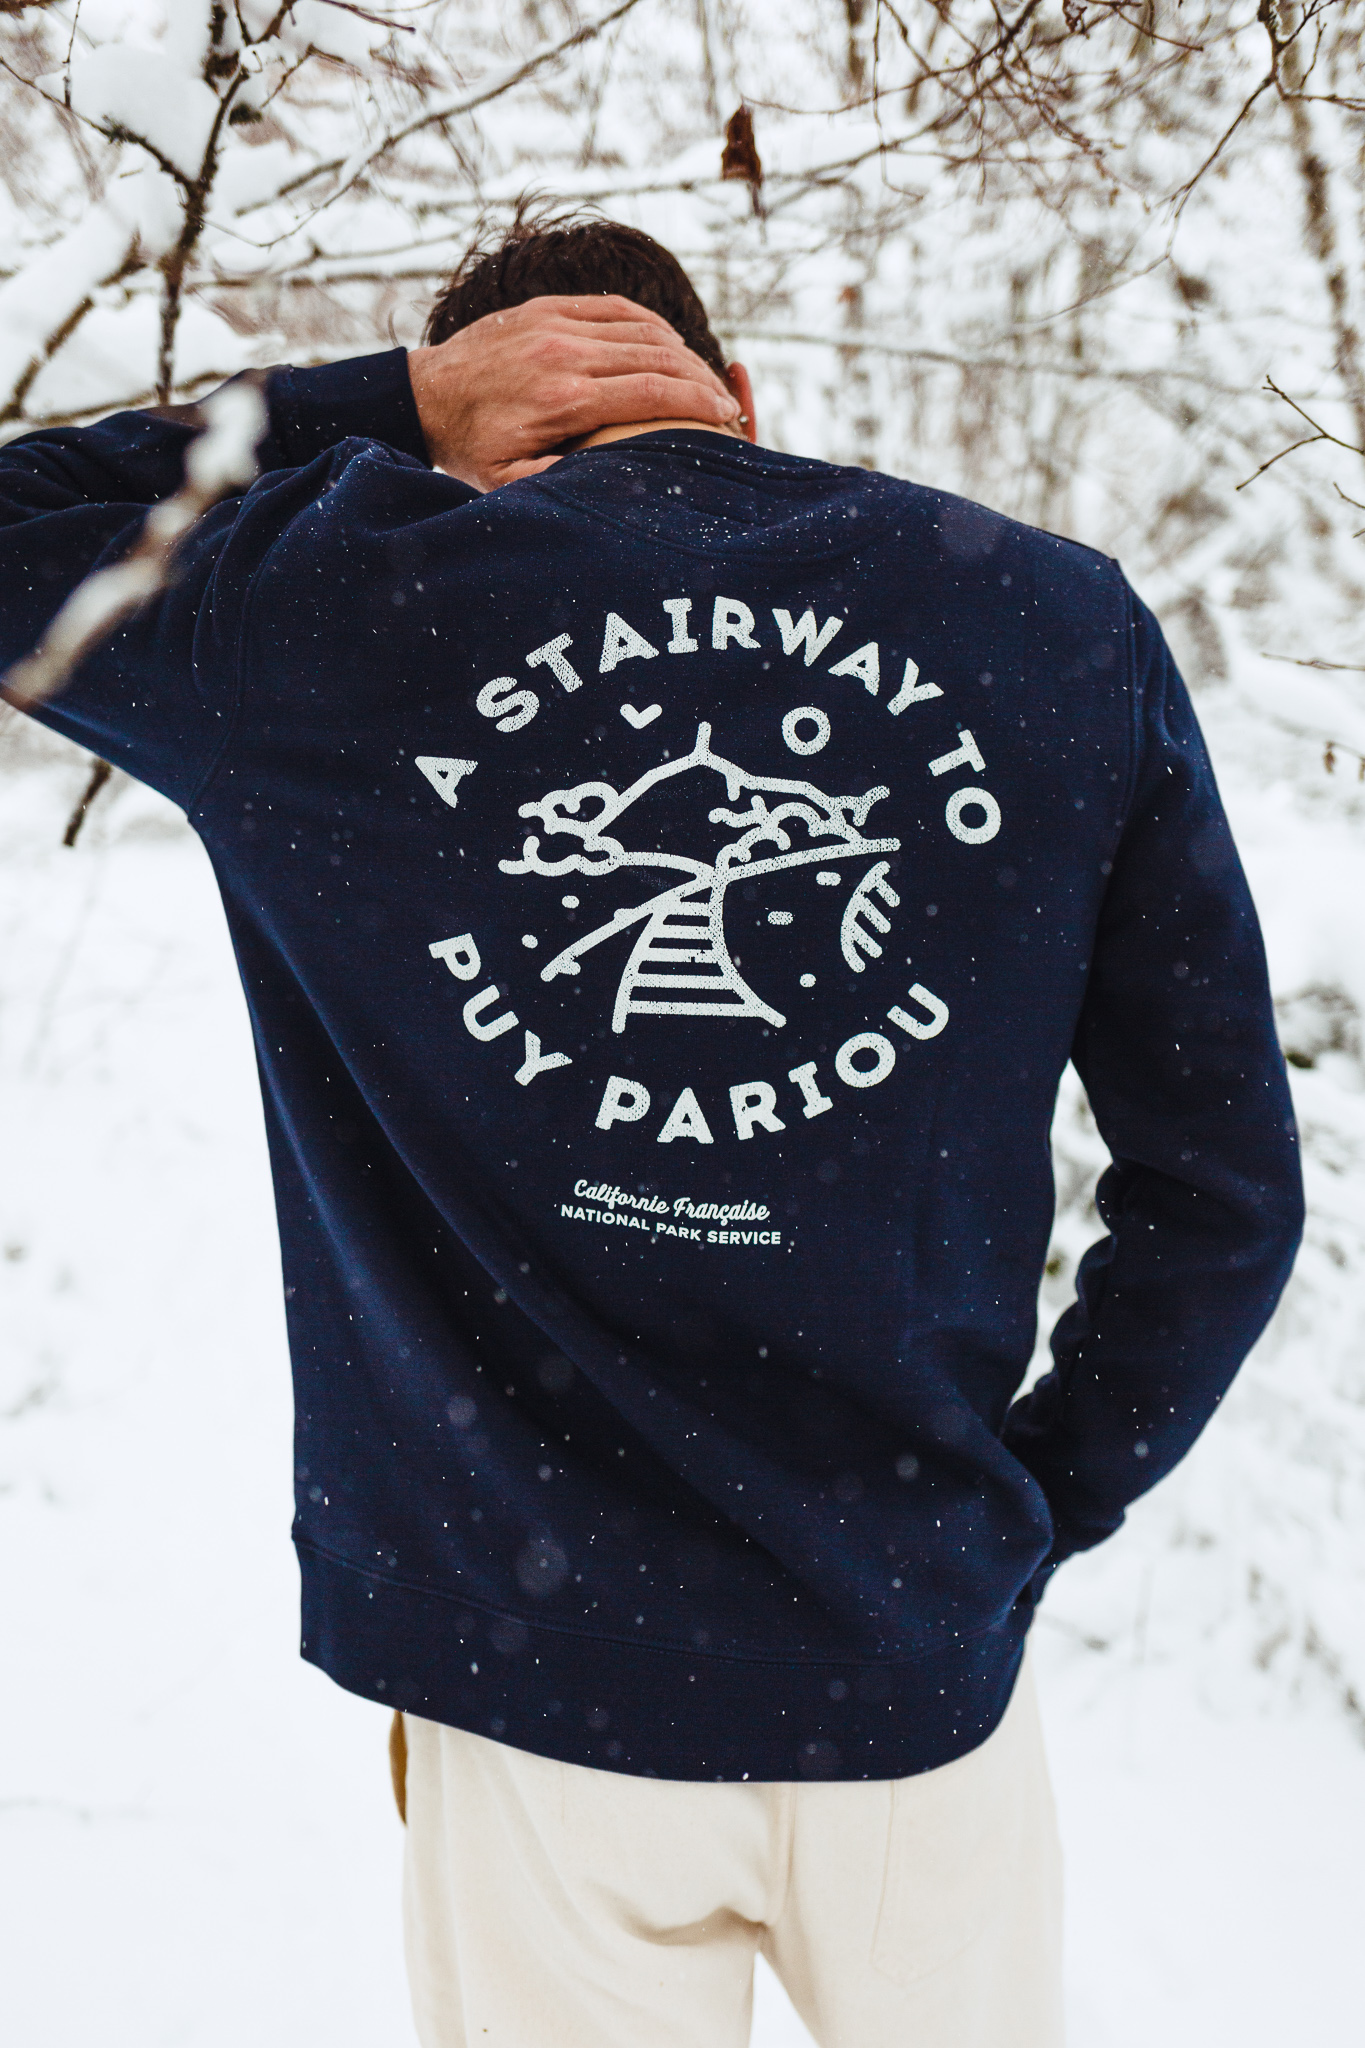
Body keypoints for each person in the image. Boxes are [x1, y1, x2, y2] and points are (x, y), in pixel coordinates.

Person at [2, 211, 1303, 2048]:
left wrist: (377, 406)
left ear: (464, 433)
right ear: (733, 393)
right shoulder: (1050, 621)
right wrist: (1025, 1514)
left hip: (542, 1693)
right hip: (910, 1679)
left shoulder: (324, 601)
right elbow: (1222, 1191)